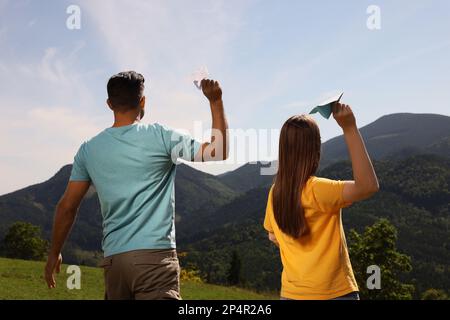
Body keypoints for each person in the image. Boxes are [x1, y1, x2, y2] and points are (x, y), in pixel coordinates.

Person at [44, 71, 228, 300]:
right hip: (154, 261)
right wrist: (215, 101)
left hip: (114, 263)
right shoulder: (161, 135)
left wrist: (54, 253)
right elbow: (217, 151)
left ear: (109, 104)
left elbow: (67, 207)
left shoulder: (88, 150)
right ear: (143, 101)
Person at [264, 103, 379, 300]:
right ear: (315, 148)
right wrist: (349, 128)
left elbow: (272, 235)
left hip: (291, 294)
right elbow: (368, 186)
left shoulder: (276, 192)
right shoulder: (319, 189)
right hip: (333, 293)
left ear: (283, 149)